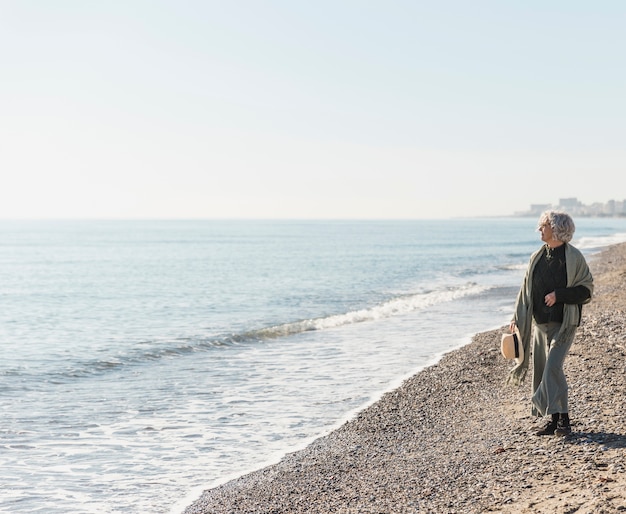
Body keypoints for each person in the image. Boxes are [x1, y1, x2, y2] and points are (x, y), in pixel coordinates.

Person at [507, 210, 593, 436]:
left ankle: (562, 417)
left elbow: (586, 290)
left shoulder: (574, 257)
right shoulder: (536, 256)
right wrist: (518, 316)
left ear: (555, 229)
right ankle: (555, 421)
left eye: (543, 225)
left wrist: (559, 295)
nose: (539, 229)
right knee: (545, 369)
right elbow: (525, 289)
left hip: (564, 323)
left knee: (553, 367)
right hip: (539, 323)